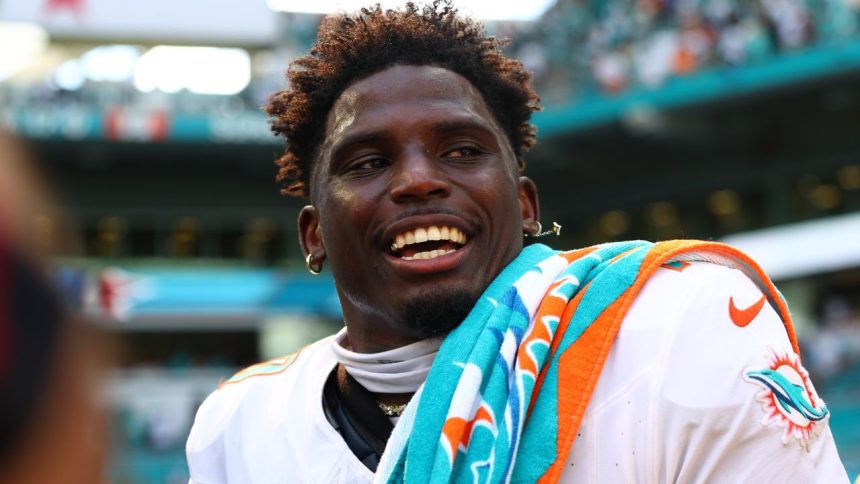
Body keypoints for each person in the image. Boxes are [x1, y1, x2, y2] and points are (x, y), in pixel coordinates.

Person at [186, 2, 849, 482]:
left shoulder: (677, 333)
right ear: (314, 235)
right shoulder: (240, 426)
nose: (418, 180)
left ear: (526, 206)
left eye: (463, 150)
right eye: (367, 163)